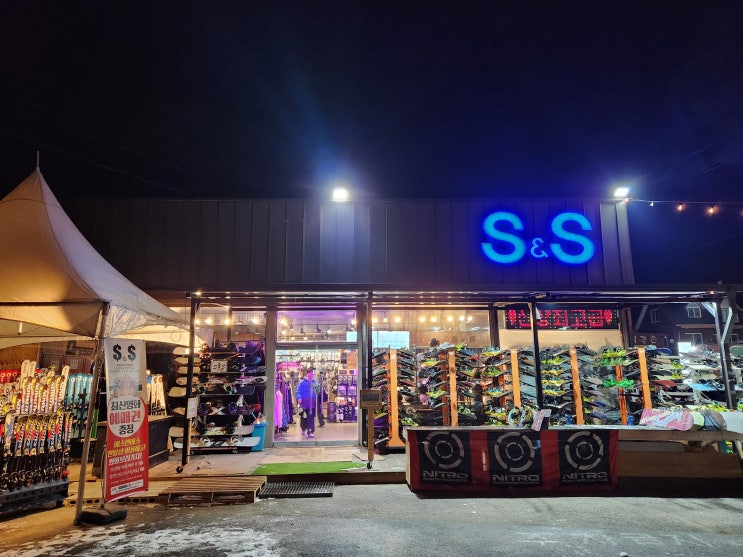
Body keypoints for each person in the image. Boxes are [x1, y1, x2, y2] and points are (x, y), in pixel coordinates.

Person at [296, 369, 318, 437]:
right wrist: (299, 398)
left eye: (312, 373)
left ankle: (310, 431)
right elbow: (298, 391)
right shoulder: (302, 382)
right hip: (303, 404)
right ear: (307, 374)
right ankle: (303, 428)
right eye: (310, 373)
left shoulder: (315, 382)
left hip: (312, 404)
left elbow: (317, 393)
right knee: (303, 417)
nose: (311, 375)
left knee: (311, 418)